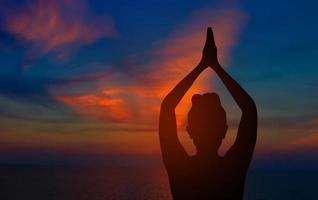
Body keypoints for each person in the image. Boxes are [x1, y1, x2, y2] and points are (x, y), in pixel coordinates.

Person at [159, 27, 257, 200]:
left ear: (189, 131)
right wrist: (215, 66)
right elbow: (249, 110)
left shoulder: (179, 168)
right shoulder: (233, 169)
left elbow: (167, 107)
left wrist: (202, 65)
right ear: (224, 130)